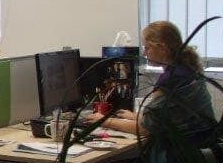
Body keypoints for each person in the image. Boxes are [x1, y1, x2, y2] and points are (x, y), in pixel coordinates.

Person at [86, 20, 214, 140]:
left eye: (147, 48)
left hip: (181, 149)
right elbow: (168, 118)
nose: (144, 53)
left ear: (163, 48)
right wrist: (135, 116)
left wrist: (105, 121)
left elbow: (146, 129)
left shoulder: (172, 79)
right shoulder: (188, 70)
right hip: (200, 143)